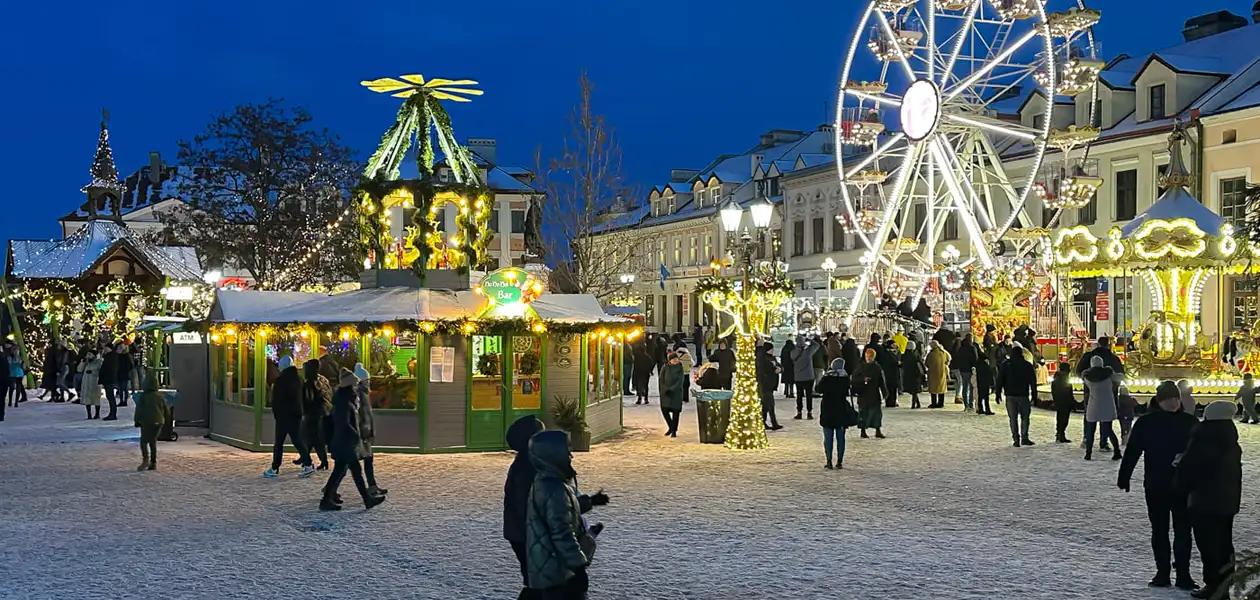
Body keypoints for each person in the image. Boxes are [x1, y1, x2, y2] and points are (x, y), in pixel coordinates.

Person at [1118, 380, 1200, 591]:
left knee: (1183, 531)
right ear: (1159, 400)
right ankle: (1162, 572)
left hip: (1183, 485)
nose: (1173, 403)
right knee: (1160, 530)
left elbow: (1201, 454)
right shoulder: (1146, 423)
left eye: (1175, 398)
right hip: (1156, 484)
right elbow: (1133, 450)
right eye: (1168, 399)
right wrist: (1124, 475)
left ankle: (1183, 573)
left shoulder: (1190, 422)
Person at [525, 430, 606, 599]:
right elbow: (562, 533)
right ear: (553, 455)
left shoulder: (547, 482)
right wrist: (578, 567)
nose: (571, 456)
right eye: (566, 451)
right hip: (557, 571)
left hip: (549, 567)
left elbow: (563, 510)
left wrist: (590, 501)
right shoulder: (554, 489)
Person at [1177, 401, 1243, 600]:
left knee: (1208, 545)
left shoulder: (1204, 437)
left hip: (1205, 501)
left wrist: (1180, 480)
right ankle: (1224, 582)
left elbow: (1190, 468)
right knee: (1224, 544)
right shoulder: (1230, 439)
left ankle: (1213, 585)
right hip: (1228, 502)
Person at [320, 368, 385, 511]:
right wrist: (355, 435)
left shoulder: (345, 398)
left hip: (343, 441)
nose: (357, 386)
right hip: (345, 442)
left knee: (340, 471)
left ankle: (326, 500)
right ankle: (367, 499)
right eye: (355, 383)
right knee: (355, 471)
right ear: (349, 384)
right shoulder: (344, 401)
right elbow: (344, 423)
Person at [503, 415, 547, 600]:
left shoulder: (533, 463)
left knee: (538, 582)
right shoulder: (527, 469)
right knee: (538, 583)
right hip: (527, 536)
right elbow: (529, 508)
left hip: (525, 535)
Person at [262, 356, 314, 478]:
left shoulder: (280, 381)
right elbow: (305, 398)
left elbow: (276, 401)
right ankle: (308, 464)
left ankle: (275, 467)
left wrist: (277, 414)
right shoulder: (299, 379)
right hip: (296, 415)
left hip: (283, 416)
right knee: (298, 441)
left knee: (279, 443)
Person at [817, 358, 858, 469]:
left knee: (828, 438)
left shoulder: (827, 378)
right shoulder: (845, 379)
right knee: (841, 438)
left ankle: (829, 461)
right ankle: (839, 461)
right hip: (841, 410)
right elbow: (851, 391)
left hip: (827, 410)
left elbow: (818, 389)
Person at [354, 363, 387, 496]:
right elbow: (361, 415)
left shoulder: (363, 394)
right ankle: (330, 489)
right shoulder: (361, 394)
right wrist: (366, 430)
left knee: (367, 459)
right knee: (346, 465)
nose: (369, 383)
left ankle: (372, 486)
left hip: (364, 431)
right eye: (367, 380)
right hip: (362, 433)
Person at [997, 342, 1037, 447]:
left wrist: (998, 393)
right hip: (1023, 395)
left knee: (1013, 418)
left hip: (1010, 395)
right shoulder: (1027, 365)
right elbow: (1032, 381)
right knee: (1025, 417)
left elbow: (1000, 379)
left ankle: (1015, 439)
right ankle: (1024, 437)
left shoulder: (1006, 364)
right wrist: (1034, 394)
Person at [1082, 355, 1121, 460]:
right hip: (1107, 405)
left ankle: (1088, 453)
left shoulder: (1087, 377)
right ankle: (1117, 451)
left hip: (1093, 404)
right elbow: (1119, 378)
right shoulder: (1109, 374)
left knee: (1090, 431)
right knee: (1108, 430)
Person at [300, 359, 333, 471]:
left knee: (312, 437)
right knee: (312, 437)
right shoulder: (323, 380)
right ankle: (305, 458)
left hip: (314, 413)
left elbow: (309, 400)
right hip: (323, 411)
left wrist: (304, 410)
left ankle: (308, 459)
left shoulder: (309, 382)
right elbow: (329, 394)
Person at [132, 371, 164, 471]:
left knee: (144, 442)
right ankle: (153, 462)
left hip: (147, 421)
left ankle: (145, 460)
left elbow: (139, 410)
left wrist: (137, 421)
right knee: (153, 442)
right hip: (159, 421)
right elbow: (165, 409)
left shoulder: (143, 396)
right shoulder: (160, 396)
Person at [853, 348, 886, 439]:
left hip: (874, 393)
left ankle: (877, 430)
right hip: (863, 393)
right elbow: (854, 378)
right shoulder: (861, 367)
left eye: (870, 356)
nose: (868, 358)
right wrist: (862, 380)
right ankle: (863, 431)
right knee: (863, 413)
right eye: (867, 356)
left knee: (876, 413)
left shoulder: (877, 367)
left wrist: (884, 391)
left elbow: (881, 381)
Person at [792, 336, 821, 419]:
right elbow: (817, 345)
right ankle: (809, 412)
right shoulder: (808, 352)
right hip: (809, 376)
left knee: (799, 395)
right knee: (809, 395)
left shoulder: (793, 353)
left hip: (798, 377)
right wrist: (809, 339)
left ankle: (799, 412)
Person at [756, 342, 783, 430]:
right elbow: (766, 369)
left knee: (766, 405)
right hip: (765, 384)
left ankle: (763, 422)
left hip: (771, 384)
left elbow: (780, 366)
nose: (772, 350)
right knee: (769, 404)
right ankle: (773, 423)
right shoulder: (762, 358)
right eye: (771, 349)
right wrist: (775, 370)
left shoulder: (773, 358)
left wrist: (780, 369)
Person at [658, 351, 685, 438]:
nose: (675, 360)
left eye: (676, 359)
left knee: (676, 412)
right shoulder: (665, 367)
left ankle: (674, 431)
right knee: (664, 410)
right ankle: (671, 426)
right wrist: (664, 389)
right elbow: (661, 379)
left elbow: (680, 381)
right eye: (673, 359)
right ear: (669, 360)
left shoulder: (680, 368)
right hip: (665, 393)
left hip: (676, 393)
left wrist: (672, 389)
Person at [1051, 362, 1074, 444]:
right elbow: (1068, 391)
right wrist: (1072, 401)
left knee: (1060, 418)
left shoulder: (1057, 377)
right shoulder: (1064, 378)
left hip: (1059, 401)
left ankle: (1059, 434)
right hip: (1065, 402)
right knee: (1064, 419)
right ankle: (1061, 434)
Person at [953, 334, 978, 412]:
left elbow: (958, 358)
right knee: (971, 387)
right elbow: (975, 358)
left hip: (963, 369)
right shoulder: (972, 348)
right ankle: (971, 404)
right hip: (970, 369)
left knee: (965, 387)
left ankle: (966, 405)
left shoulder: (961, 348)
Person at [926, 340, 951, 409]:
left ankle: (933, 403)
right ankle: (941, 403)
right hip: (942, 372)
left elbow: (927, 363)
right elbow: (948, 360)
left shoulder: (930, 354)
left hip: (932, 374)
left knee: (933, 389)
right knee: (941, 388)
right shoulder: (943, 353)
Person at [80, 349, 104, 420]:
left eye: (90, 354)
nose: (88, 356)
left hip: (95, 382)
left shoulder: (99, 362)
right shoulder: (86, 363)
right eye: (87, 354)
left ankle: (97, 414)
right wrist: (82, 362)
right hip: (86, 382)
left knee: (96, 398)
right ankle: (89, 414)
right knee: (87, 399)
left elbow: (101, 372)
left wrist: (93, 372)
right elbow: (79, 369)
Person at [901, 340, 925, 409]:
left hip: (908, 374)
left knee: (913, 390)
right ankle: (915, 404)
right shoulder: (916, 354)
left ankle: (916, 403)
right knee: (915, 390)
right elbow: (920, 363)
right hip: (916, 374)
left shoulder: (905, 355)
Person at [878, 337, 901, 408]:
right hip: (890, 373)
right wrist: (897, 363)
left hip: (894, 372)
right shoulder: (887, 353)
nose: (895, 345)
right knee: (890, 387)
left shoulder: (895, 352)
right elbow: (888, 362)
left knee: (894, 388)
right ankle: (890, 402)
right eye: (893, 344)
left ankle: (893, 401)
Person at [99, 345, 118, 420]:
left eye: (106, 348)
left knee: (110, 396)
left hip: (109, 379)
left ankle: (113, 413)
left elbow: (108, 368)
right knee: (110, 396)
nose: (105, 349)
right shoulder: (110, 356)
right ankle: (112, 413)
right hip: (108, 379)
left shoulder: (111, 357)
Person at [974, 351, 994, 416]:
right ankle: (987, 410)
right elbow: (990, 374)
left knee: (980, 396)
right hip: (986, 382)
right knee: (986, 397)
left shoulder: (977, 364)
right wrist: (992, 383)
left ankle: (980, 409)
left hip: (980, 382)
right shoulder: (986, 365)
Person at [115, 343, 134, 408]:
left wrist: (126, 370)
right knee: (121, 388)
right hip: (120, 373)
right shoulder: (118, 355)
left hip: (124, 373)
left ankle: (124, 401)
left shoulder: (126, 356)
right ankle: (122, 400)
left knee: (124, 388)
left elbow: (131, 365)